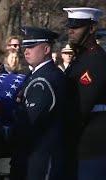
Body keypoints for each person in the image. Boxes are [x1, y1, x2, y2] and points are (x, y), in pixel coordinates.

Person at [10, 26, 67, 180]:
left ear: (47, 49)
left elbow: (30, 120)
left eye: (32, 47)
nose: (26, 51)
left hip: (40, 155)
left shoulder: (46, 77)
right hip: (30, 154)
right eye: (25, 47)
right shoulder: (36, 74)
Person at [63, 7, 106, 180]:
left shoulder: (96, 59)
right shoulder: (80, 58)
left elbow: (82, 105)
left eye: (77, 26)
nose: (71, 31)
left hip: (92, 143)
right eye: (70, 26)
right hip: (80, 141)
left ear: (91, 28)